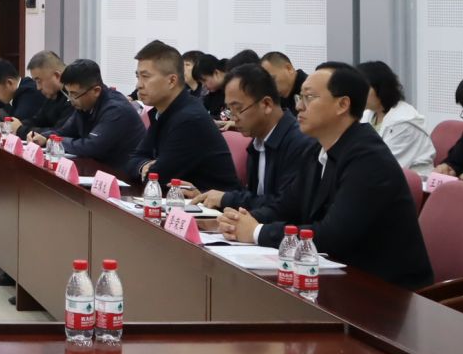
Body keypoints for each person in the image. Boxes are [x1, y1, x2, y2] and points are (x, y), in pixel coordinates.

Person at [220, 63, 434, 288]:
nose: (299, 106)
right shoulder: (318, 149)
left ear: (342, 104)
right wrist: (239, 221)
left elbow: (332, 236)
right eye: (299, 97)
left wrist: (257, 231)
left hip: (385, 290)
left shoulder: (369, 159)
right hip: (340, 277)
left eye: (309, 98)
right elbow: (286, 205)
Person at [199, 63, 312, 217]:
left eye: (238, 109)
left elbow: (285, 207)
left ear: (266, 104)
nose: (234, 118)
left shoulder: (300, 144)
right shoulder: (257, 141)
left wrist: (227, 199)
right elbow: (253, 197)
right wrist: (206, 197)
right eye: (230, 110)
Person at [133, 39, 238, 191]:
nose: (138, 85)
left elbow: (158, 178)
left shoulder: (190, 119)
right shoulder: (161, 111)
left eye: (145, 77)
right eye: (138, 77)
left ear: (171, 81)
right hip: (181, 200)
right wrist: (143, 166)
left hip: (214, 204)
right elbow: (134, 159)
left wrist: (149, 170)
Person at [50, 58, 145, 178]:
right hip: (99, 173)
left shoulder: (116, 110)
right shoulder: (83, 104)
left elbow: (91, 147)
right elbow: (64, 131)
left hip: (124, 179)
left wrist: (57, 141)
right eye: (68, 93)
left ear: (96, 91)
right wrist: (44, 137)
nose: (70, 99)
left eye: (74, 94)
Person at [358, 60, 435, 173]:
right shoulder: (367, 114)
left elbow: (385, 164)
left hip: (411, 180)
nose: (357, 94)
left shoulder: (403, 122)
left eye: (363, 89)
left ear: (381, 88)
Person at [17, 51, 72, 143]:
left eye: (39, 81)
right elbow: (38, 120)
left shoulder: (73, 98)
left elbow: (60, 132)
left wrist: (20, 129)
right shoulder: (53, 95)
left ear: (57, 76)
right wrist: (18, 124)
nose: (38, 88)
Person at [0, 59, 52, 135]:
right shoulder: (18, 91)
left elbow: (16, 124)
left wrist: (1, 124)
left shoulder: (29, 92)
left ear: (9, 83)